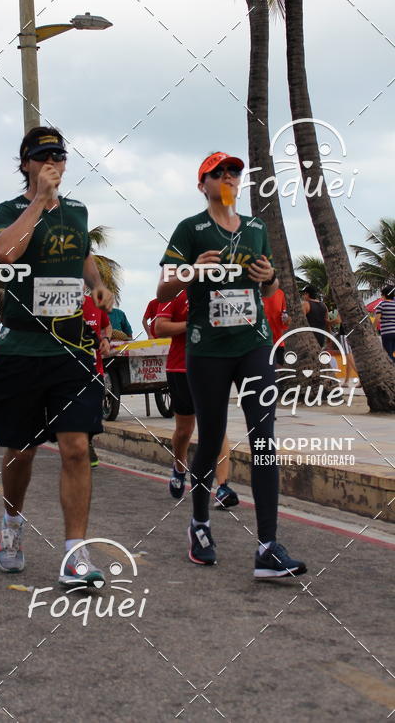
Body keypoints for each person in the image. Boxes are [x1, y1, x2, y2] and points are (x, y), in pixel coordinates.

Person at [158, 151, 306, 578]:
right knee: (213, 437)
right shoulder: (190, 229)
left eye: (234, 172)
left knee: (264, 437)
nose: (228, 177)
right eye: (218, 172)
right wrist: (189, 270)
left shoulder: (257, 229)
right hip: (207, 348)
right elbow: (164, 285)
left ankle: (268, 547)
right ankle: (200, 523)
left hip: (253, 343)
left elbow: (272, 282)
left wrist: (270, 279)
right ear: (202, 184)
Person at [0, 126, 113, 587]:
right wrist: (39, 201)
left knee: (76, 448)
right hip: (21, 347)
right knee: (21, 450)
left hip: (71, 349)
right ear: (25, 165)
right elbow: (3, 255)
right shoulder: (11, 209)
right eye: (42, 157)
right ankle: (12, 526)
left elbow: (83, 255)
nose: (52, 162)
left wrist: (96, 284)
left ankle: (75, 553)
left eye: (58, 155)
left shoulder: (78, 212)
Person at [155, 291, 238, 508]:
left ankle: (222, 487)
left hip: (214, 366)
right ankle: (179, 466)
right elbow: (160, 328)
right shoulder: (176, 290)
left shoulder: (221, 291)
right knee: (184, 431)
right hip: (180, 368)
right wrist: (193, 323)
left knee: (216, 427)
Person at [82, 290, 112, 467]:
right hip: (69, 370)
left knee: (95, 408)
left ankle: (88, 441)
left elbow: (107, 325)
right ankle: (80, 445)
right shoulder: (59, 307)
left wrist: (106, 339)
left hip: (95, 368)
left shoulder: (94, 303)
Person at [262, 287, 290, 365]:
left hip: (278, 343)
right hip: (260, 343)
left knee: (278, 372)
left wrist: (287, 321)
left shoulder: (280, 293)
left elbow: (284, 315)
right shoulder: (254, 291)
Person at [375, 286, 395, 363]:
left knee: (388, 354)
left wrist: (373, 329)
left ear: (384, 295)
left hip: (387, 333)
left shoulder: (382, 304)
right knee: (393, 353)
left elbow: (377, 319)